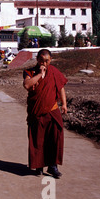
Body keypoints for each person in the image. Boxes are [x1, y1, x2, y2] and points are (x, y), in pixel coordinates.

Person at [23, 49, 68, 178]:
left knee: (55, 139)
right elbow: (27, 85)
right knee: (38, 139)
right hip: (37, 112)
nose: (44, 63)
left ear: (51, 60)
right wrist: (40, 75)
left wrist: (64, 104)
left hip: (53, 110)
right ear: (37, 59)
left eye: (47, 61)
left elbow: (61, 88)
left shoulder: (54, 71)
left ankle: (53, 166)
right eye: (42, 60)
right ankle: (39, 166)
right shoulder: (30, 72)